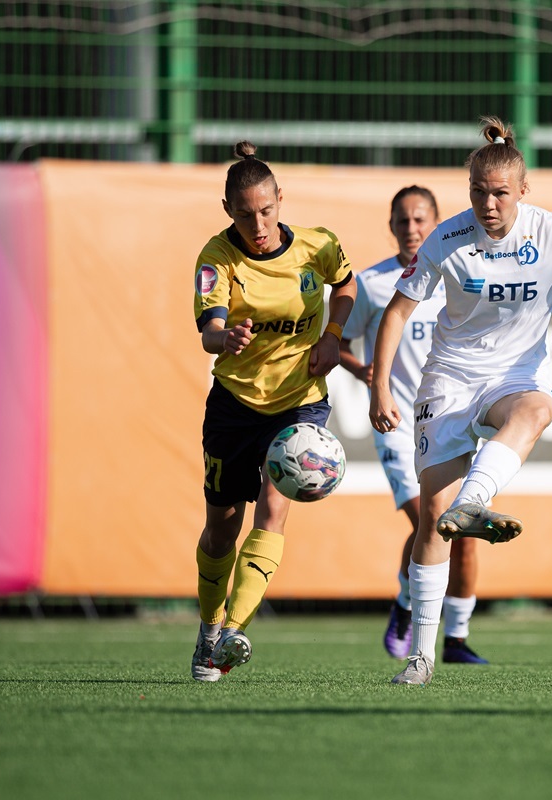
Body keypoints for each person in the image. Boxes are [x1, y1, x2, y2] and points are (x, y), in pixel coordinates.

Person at [369, 116, 552, 686]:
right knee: (431, 519)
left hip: (513, 375)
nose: (489, 203)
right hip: (449, 381)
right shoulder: (448, 239)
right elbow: (398, 311)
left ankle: (475, 500)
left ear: (523, 191)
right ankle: (422, 658)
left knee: (538, 409)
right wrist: (380, 385)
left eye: (501, 192)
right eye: (478, 192)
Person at [190, 141, 355, 681]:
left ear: (281, 200)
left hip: (299, 404)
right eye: (244, 213)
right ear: (227, 210)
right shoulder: (217, 258)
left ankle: (231, 636)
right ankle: (210, 626)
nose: (257, 223)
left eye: (266, 210)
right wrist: (225, 336)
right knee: (222, 528)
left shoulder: (317, 245)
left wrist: (332, 336)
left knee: (274, 507)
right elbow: (209, 330)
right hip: (236, 405)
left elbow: (347, 285)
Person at [339, 185, 488, 665]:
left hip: (454, 419)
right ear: (391, 226)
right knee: (430, 519)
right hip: (401, 425)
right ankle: (409, 606)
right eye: (402, 221)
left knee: (459, 530)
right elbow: (336, 341)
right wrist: (364, 372)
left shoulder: (462, 272)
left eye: (421, 220)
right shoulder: (375, 283)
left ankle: (457, 641)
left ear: (438, 223)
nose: (412, 229)